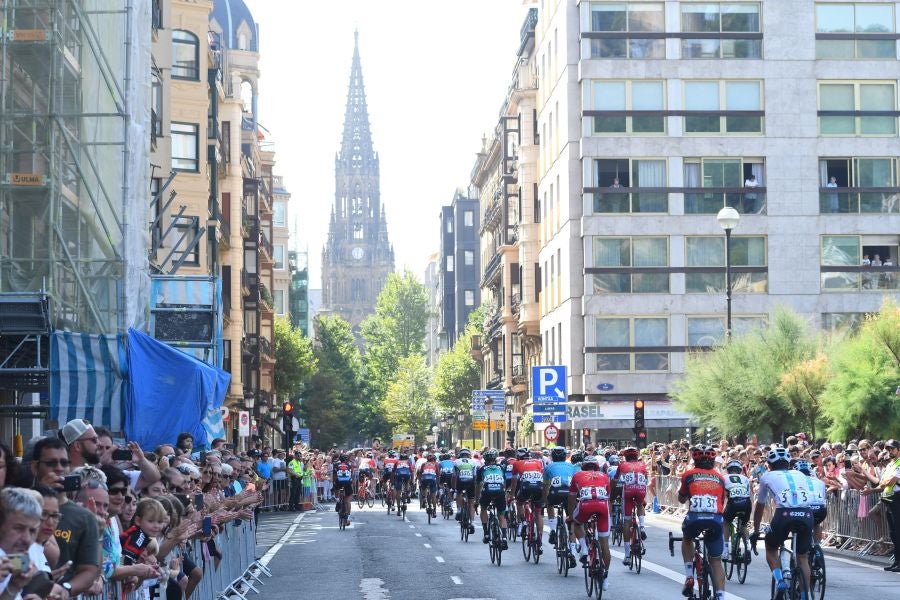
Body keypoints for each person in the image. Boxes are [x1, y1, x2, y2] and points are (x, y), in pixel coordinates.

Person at [30, 437, 100, 596]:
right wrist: (40, 495)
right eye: (51, 463)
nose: (59, 468)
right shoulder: (18, 506)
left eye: (64, 463)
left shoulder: (84, 517)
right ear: (35, 467)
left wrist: (65, 589)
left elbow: (89, 569)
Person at [751, 447, 815, 599]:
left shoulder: (766, 476)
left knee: (771, 547)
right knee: (802, 558)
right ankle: (804, 595)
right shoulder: (800, 474)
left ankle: (780, 581)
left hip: (784, 514)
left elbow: (760, 505)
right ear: (788, 463)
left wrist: (756, 530)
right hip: (806, 514)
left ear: (769, 465)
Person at [678, 445, 727, 600]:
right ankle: (721, 596)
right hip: (715, 520)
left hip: (694, 519)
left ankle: (689, 576)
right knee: (716, 561)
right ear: (713, 461)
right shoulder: (720, 477)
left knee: (687, 538)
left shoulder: (688, 474)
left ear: (695, 460)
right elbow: (722, 501)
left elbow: (681, 498)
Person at [568, 455, 611, 592]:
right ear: (597, 467)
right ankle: (605, 578)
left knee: (576, 523)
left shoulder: (577, 475)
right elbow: (608, 497)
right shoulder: (604, 476)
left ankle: (584, 549)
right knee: (605, 544)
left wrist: (570, 515)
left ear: (583, 467)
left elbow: (572, 497)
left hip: (586, 505)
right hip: (603, 506)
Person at [862, 439, 900, 571]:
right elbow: (883, 482)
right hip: (889, 500)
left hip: (897, 499)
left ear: (899, 450)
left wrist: (882, 484)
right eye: (888, 449)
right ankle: (897, 561)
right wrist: (873, 490)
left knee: (898, 532)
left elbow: (892, 480)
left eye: (892, 449)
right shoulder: (890, 465)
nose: (890, 451)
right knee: (893, 533)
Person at [613, 446, 648, 567]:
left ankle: (627, 555)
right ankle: (642, 527)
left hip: (628, 491)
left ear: (626, 457)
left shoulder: (622, 465)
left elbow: (615, 480)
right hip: (641, 489)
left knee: (627, 522)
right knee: (640, 504)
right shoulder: (642, 464)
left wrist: (612, 493)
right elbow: (645, 479)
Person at [511, 447, 545, 554]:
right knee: (538, 514)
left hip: (526, 486)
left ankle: (524, 522)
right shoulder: (538, 462)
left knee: (519, 503)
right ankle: (539, 539)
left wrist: (511, 495)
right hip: (539, 487)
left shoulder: (516, 463)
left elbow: (514, 481)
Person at [475, 449, 508, 549]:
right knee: (501, 515)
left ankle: (486, 533)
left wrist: (477, 501)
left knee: (483, 508)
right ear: (495, 460)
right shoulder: (501, 468)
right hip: (500, 491)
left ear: (485, 460)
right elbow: (504, 483)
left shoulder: (482, 469)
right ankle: (504, 538)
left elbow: (478, 486)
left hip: (487, 492)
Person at [544, 447, 575, 550]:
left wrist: (545, 499)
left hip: (555, 492)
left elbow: (545, 486)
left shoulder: (548, 467)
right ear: (565, 456)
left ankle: (552, 529)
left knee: (549, 504)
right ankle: (573, 550)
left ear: (552, 456)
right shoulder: (571, 466)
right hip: (569, 493)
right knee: (571, 520)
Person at [722, 459, 752, 558]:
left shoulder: (724, 478)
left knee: (725, 523)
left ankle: (726, 550)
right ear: (740, 470)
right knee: (744, 525)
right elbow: (749, 493)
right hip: (746, 503)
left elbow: (723, 495)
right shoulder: (745, 478)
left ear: (728, 470)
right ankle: (748, 546)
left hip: (733, 503)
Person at [452, 449, 477, 534]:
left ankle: (459, 510)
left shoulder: (456, 462)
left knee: (458, 493)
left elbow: (454, 476)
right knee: (471, 503)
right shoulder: (473, 462)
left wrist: (453, 488)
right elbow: (475, 476)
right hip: (470, 482)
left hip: (460, 481)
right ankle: (472, 522)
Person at [332, 455, 353, 525]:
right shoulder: (349, 466)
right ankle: (348, 518)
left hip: (339, 482)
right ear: (346, 460)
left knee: (335, 487)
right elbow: (351, 476)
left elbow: (334, 476)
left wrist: (334, 484)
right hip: (347, 483)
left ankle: (338, 500)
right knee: (348, 501)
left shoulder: (336, 465)